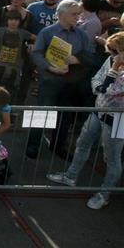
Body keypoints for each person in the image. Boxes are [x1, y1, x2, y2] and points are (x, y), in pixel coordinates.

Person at [47, 31, 124, 210]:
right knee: (82, 142)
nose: (111, 55)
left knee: (111, 158)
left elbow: (109, 88)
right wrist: (103, 84)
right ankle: (71, 175)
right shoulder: (111, 59)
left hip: (118, 119)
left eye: (114, 51)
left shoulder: (116, 63)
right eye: (109, 51)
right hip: (98, 110)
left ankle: (104, 194)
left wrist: (111, 74)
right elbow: (97, 81)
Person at [26, 0, 96, 160]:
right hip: (50, 80)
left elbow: (90, 56)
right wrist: (50, 67)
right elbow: (36, 53)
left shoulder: (82, 34)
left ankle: (59, 146)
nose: (78, 17)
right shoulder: (47, 32)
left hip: (71, 82)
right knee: (42, 112)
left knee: (64, 116)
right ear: (61, 14)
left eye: (79, 14)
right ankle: (33, 145)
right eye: (74, 14)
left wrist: (76, 60)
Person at [0, 11, 35, 95]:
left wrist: (32, 44)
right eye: (11, 19)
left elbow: (36, 37)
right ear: (7, 20)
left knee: (11, 87)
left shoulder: (23, 32)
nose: (13, 22)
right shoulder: (0, 30)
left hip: (15, 65)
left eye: (16, 20)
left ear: (19, 21)